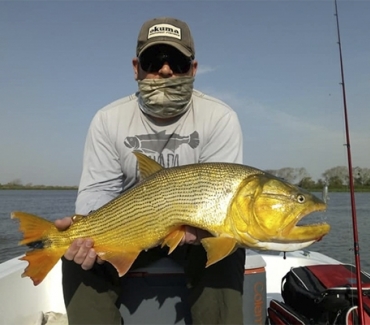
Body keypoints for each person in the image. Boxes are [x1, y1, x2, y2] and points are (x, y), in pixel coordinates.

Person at [54, 16, 246, 325]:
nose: (166, 69)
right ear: (136, 68)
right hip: (132, 229)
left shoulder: (220, 118)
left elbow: (223, 203)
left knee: (228, 247)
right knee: (78, 259)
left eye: (178, 62)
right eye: (153, 60)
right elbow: (96, 194)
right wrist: (86, 233)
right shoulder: (107, 120)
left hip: (195, 235)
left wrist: (195, 232)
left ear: (193, 70)